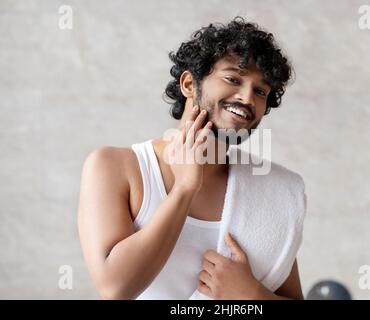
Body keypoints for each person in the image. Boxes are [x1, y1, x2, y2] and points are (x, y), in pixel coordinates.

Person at [77, 16, 305, 300]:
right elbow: (115, 289)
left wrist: (252, 295)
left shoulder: (271, 191)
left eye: (260, 91)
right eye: (233, 78)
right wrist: (185, 188)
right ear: (188, 84)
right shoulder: (115, 167)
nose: (247, 98)